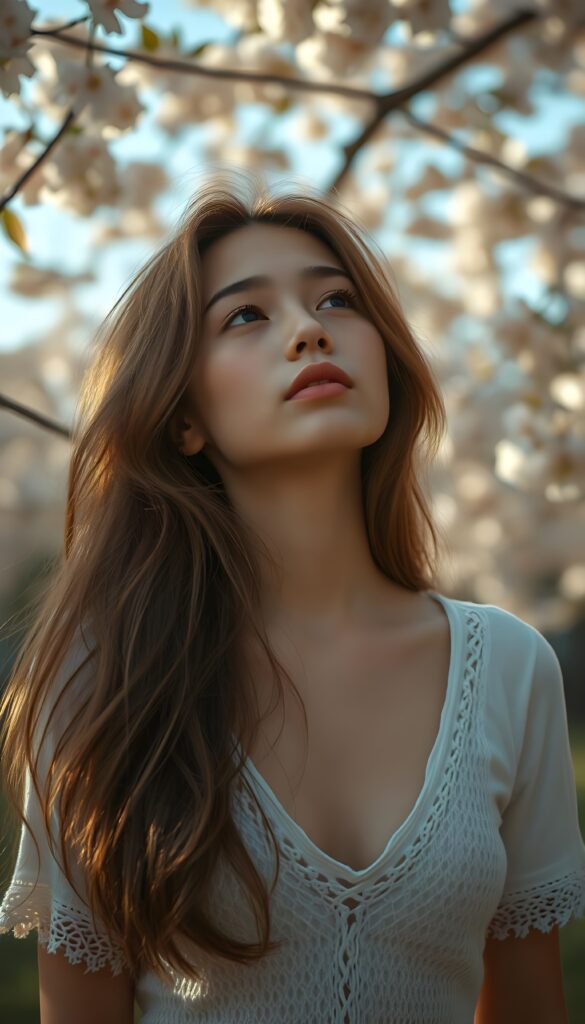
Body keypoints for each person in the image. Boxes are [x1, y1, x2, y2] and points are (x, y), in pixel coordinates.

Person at [1, 167, 584, 1024]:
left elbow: (530, 1006)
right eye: (247, 315)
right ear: (184, 416)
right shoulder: (103, 683)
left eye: (337, 302)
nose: (310, 331)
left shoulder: (508, 666)